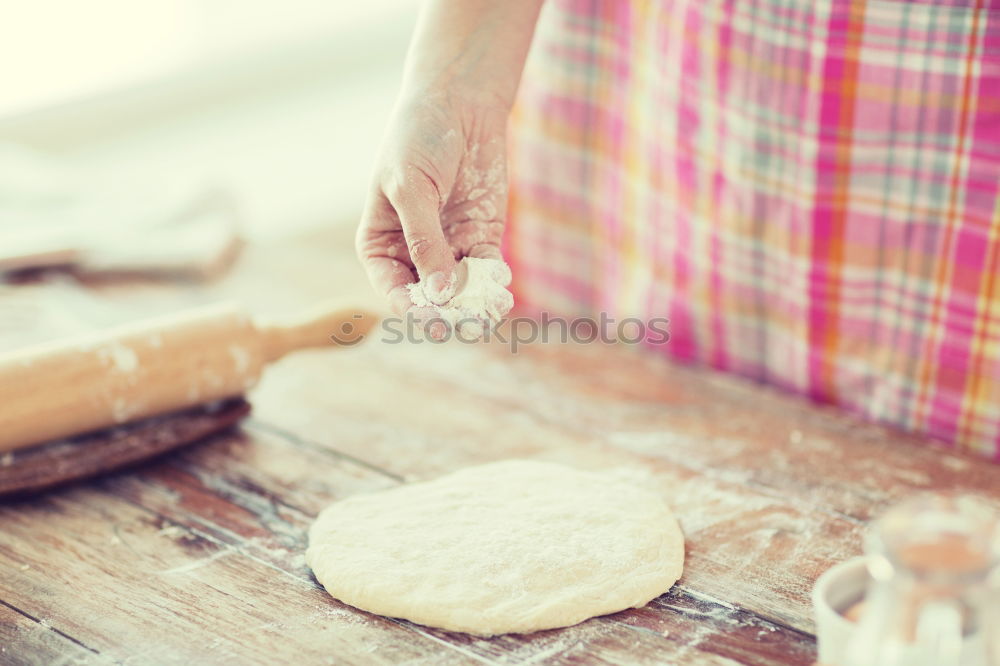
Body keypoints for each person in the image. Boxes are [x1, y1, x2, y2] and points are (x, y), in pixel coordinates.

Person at [356, 0, 1000, 460]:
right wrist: (450, 89)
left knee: (923, 502)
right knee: (623, 423)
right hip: (660, 94)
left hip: (947, 118)